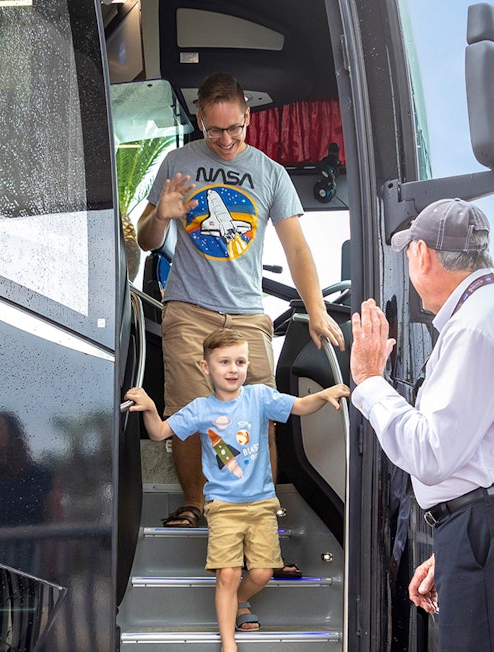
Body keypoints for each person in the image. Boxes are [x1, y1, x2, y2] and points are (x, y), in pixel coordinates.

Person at [349, 198, 494, 651]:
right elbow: (490, 450)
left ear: (422, 255)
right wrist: (460, 541)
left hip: (491, 529)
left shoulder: (475, 326)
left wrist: (371, 382)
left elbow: (431, 454)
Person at [136, 72, 345, 544]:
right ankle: (194, 503)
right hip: (189, 309)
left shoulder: (270, 172)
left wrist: (315, 308)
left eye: (235, 129)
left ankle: (259, 515)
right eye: (215, 130)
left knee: (258, 418)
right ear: (200, 120)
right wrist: (162, 215)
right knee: (190, 411)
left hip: (249, 315)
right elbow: (149, 240)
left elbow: (296, 248)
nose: (226, 140)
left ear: (248, 117)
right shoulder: (177, 162)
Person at [124, 328, 349, 652]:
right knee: (228, 573)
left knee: (261, 573)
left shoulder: (259, 398)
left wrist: (323, 395)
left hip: (261, 506)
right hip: (223, 505)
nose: (233, 369)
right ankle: (228, 641)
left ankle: (240, 601)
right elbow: (159, 432)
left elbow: (299, 406)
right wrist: (148, 406)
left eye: (240, 361)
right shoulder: (201, 409)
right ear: (206, 367)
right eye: (224, 362)